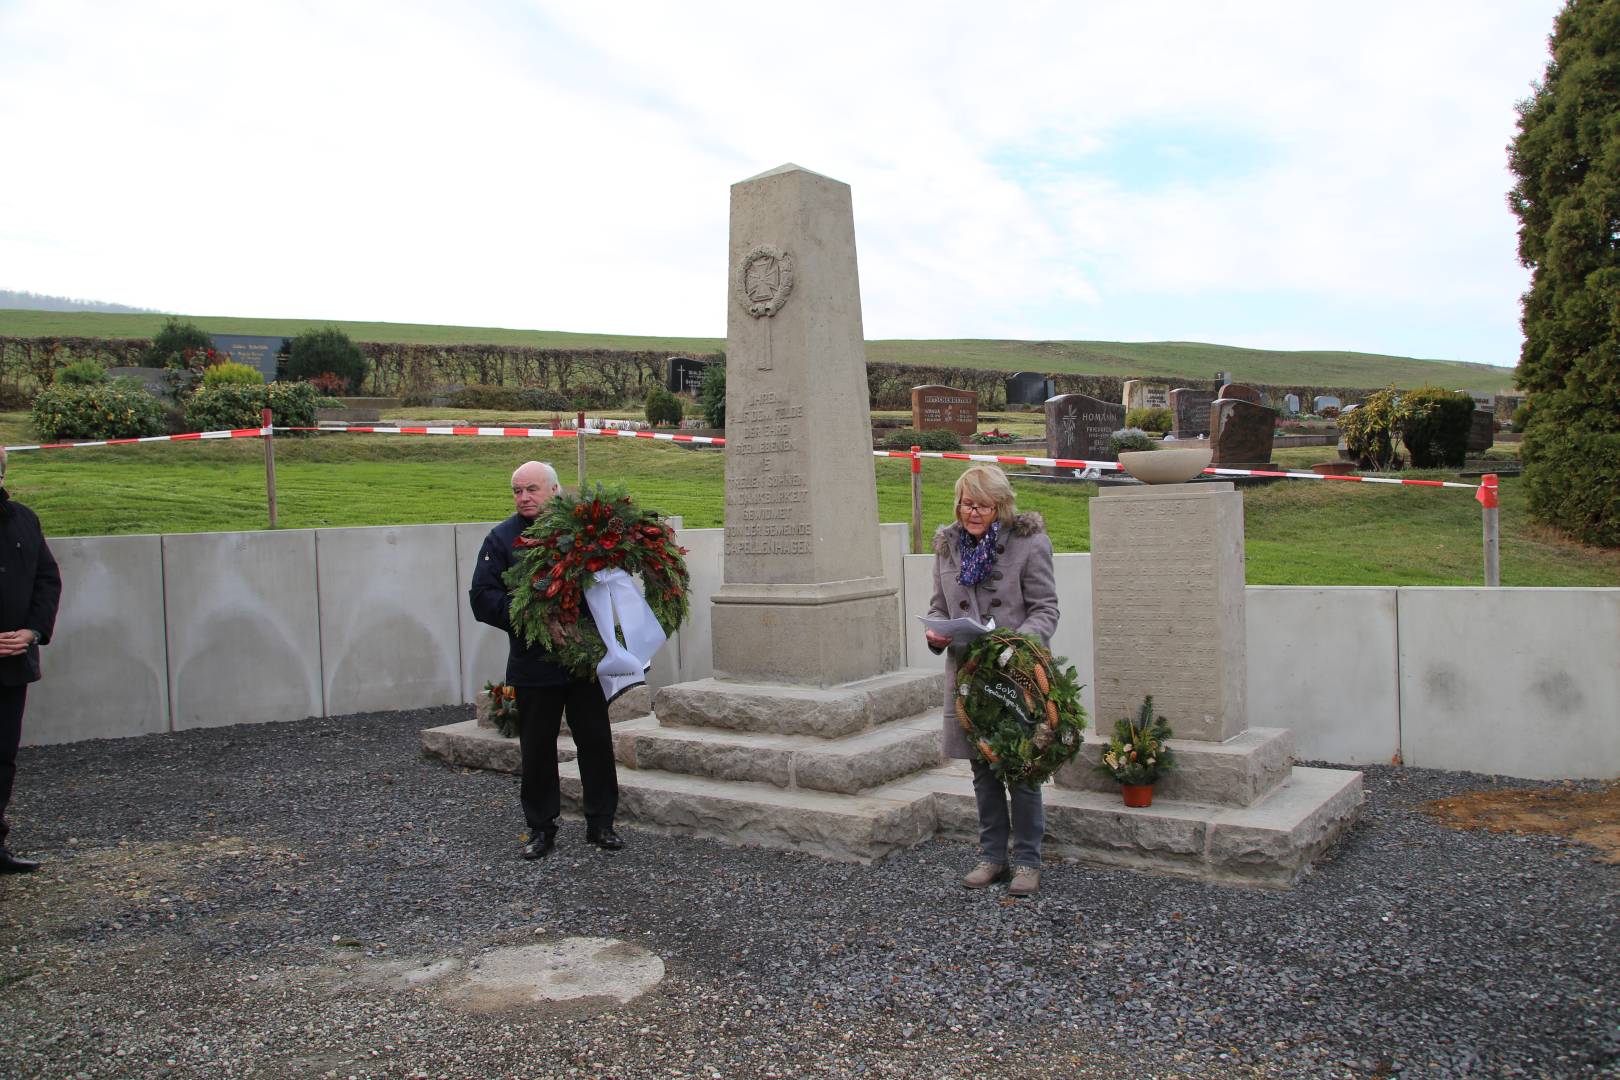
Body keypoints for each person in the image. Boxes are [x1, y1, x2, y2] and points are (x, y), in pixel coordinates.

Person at [469, 461, 623, 860]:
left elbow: (609, 582)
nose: (524, 498)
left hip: (582, 662)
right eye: (517, 491)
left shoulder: (583, 534)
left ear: (554, 490)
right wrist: (532, 614)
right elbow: (482, 598)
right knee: (536, 749)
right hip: (533, 664)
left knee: (595, 741)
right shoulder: (501, 539)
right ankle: (540, 828)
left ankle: (601, 823)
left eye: (532, 489)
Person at [925, 465, 1058, 897]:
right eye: (967, 503)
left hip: (1016, 674)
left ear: (1001, 505)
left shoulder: (1029, 542)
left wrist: (1016, 644)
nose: (973, 512)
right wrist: (936, 632)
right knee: (982, 768)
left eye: (982, 505)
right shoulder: (947, 547)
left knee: (1020, 767)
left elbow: (1046, 609)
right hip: (968, 676)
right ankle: (992, 857)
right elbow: (939, 607)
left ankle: (1027, 862)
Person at [0, 447, 62, 874]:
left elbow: (46, 578)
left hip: (10, 668)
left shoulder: (23, 519)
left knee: (2, 758)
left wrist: (34, 631)